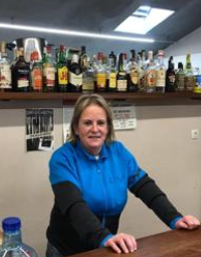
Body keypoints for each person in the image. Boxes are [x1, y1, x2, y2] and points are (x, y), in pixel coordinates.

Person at [46, 94, 199, 256]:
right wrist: (104, 238)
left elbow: (146, 188)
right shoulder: (62, 159)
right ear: (76, 128)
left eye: (101, 123)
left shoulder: (118, 152)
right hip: (68, 250)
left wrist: (175, 219)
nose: (95, 129)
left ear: (108, 128)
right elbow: (74, 205)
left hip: (104, 248)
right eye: (87, 123)